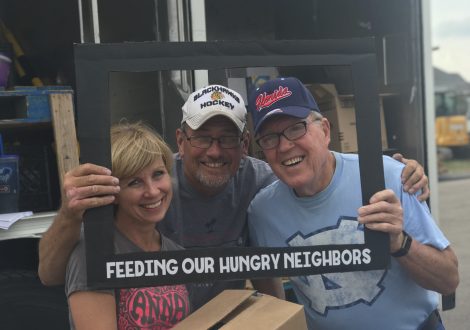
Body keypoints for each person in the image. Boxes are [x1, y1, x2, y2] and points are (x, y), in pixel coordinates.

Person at [38, 84, 429, 310]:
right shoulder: (150, 184)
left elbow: (318, 179)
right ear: (181, 140)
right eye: (203, 137)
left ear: (244, 144)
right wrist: (71, 215)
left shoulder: (263, 181)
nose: (214, 150)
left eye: (226, 138)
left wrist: (392, 171)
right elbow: (51, 274)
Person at [246, 77, 459, 330]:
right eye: (269, 138)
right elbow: (269, 295)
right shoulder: (263, 212)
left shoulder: (387, 177)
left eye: (296, 128)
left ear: (325, 130)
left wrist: (399, 243)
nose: (284, 146)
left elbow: (448, 279)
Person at [65, 121, 191, 329]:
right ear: (112, 193)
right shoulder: (93, 254)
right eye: (134, 182)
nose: (152, 191)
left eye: (158, 174)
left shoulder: (173, 251)